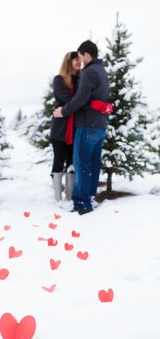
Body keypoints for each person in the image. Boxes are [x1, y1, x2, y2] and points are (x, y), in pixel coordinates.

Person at [53, 40, 110, 215]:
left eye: (80, 56)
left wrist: (63, 111)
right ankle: (90, 197)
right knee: (93, 164)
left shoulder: (88, 72)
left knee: (82, 165)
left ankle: (81, 203)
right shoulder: (102, 71)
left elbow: (80, 99)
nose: (80, 60)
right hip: (100, 126)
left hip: (86, 125)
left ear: (86, 55)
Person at [50, 51, 80, 202]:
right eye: (76, 59)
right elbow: (70, 100)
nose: (79, 62)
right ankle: (57, 198)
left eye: (80, 59)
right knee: (59, 160)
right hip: (60, 128)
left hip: (76, 127)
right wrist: (80, 100)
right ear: (69, 62)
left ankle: (69, 196)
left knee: (72, 162)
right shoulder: (59, 80)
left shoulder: (81, 79)